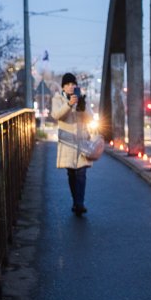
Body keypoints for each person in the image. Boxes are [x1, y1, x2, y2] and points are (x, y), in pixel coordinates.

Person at [52, 72, 93, 216]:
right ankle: (76, 201)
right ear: (63, 87)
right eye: (67, 84)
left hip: (81, 141)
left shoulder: (81, 99)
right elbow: (57, 115)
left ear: (76, 86)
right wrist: (69, 105)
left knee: (81, 172)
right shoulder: (58, 99)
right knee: (71, 173)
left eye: (73, 84)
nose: (70, 87)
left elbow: (90, 118)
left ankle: (80, 203)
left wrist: (82, 106)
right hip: (67, 142)